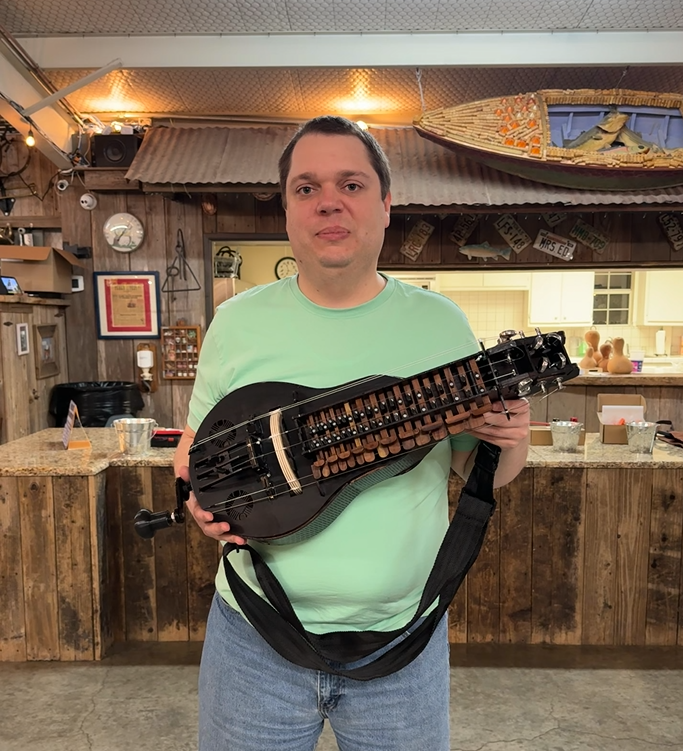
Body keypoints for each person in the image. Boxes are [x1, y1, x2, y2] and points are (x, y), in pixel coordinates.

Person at [174, 115, 530, 751]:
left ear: (386, 205)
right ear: (287, 210)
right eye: (306, 187)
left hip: (402, 640)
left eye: (352, 184)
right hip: (255, 635)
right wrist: (196, 501)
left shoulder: (440, 324)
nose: (328, 202)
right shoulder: (236, 323)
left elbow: (476, 468)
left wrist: (511, 439)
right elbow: (192, 454)